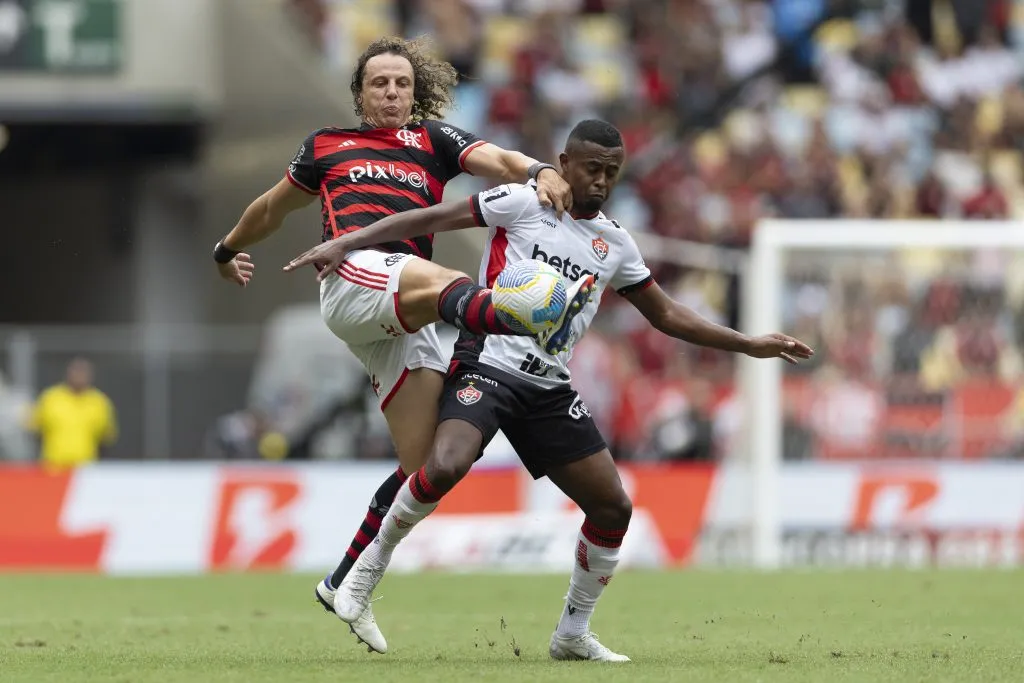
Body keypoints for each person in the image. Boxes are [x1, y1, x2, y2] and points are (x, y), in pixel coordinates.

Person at [285, 119, 814, 661]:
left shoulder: (616, 244)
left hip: (547, 387)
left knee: (612, 508)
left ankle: (572, 633)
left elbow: (667, 314)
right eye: (592, 168)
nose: (602, 180)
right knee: (442, 466)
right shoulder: (520, 202)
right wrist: (348, 241)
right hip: (487, 363)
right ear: (564, 164)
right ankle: (363, 576)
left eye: (612, 171)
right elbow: (432, 217)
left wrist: (748, 344)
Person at [214, 36, 592, 653]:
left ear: (414, 94)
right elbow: (269, 209)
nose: (390, 93)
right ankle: (522, 316)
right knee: (458, 287)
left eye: (401, 84)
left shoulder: (435, 142)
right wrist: (227, 248)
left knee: (424, 469)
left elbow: (494, 157)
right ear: (360, 94)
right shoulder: (326, 146)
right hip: (354, 279)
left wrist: (538, 169)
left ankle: (345, 583)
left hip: (406, 312)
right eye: (378, 84)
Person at [27, 358, 118, 471]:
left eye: (83, 372)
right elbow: (35, 431)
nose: (79, 376)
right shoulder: (50, 398)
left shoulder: (99, 402)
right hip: (53, 467)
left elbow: (106, 439)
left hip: (86, 468)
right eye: (76, 372)